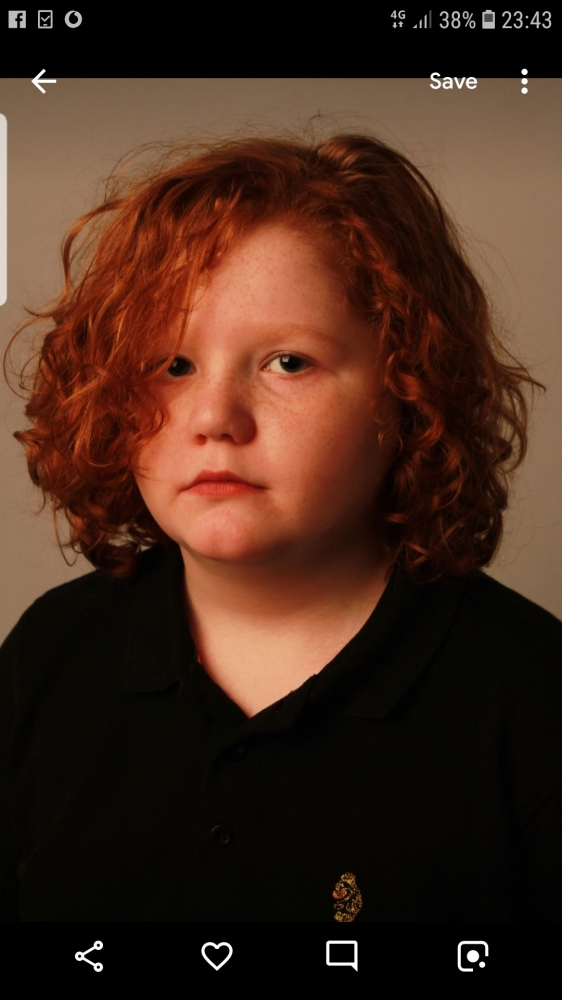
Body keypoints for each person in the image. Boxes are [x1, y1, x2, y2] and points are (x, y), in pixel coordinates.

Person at [1, 133, 561, 922]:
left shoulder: (531, 693)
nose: (214, 417)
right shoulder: (50, 655)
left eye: (288, 363)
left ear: (410, 390)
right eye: (172, 365)